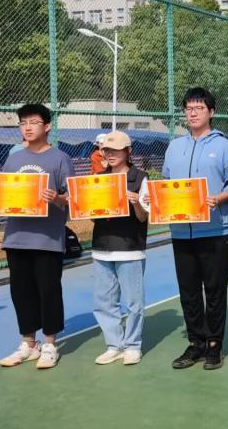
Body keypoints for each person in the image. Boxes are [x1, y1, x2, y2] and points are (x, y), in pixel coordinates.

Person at [0, 104, 73, 370]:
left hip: (47, 239)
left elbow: (73, 198)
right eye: (23, 123)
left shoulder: (60, 158)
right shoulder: (14, 159)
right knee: (21, 292)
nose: (28, 127)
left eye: (33, 122)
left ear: (47, 126)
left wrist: (57, 198)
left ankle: (50, 344)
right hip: (16, 237)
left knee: (48, 291)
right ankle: (28, 343)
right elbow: (5, 192)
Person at [159, 87, 228, 371]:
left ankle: (214, 345)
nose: (193, 113)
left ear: (211, 112)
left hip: (216, 230)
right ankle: (196, 343)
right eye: (189, 108)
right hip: (181, 231)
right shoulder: (173, 147)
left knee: (215, 291)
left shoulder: (226, 147)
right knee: (189, 291)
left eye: (199, 108)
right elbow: (166, 184)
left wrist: (220, 198)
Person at [91, 131, 149, 366]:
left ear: (128, 151)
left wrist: (136, 203)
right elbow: (92, 215)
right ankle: (114, 345)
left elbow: (143, 217)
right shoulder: (98, 179)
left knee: (134, 302)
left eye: (116, 150)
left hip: (130, 247)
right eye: (107, 150)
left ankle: (133, 345)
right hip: (101, 247)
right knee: (104, 301)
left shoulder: (140, 178)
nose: (110, 154)